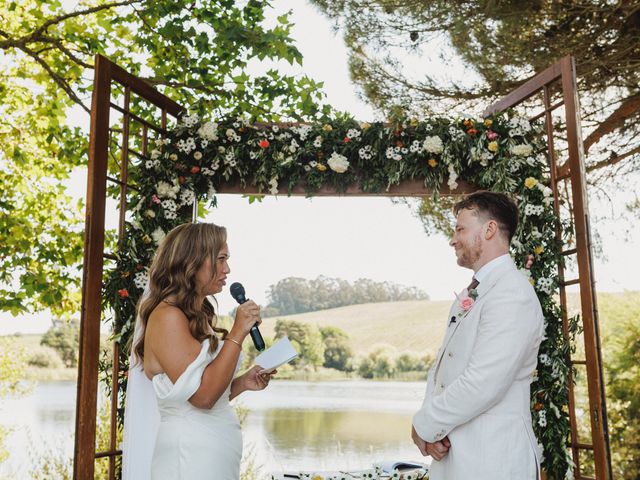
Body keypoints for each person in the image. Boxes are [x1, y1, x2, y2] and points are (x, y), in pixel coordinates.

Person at [122, 222, 274, 480]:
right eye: (221, 259)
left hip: (212, 455)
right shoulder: (167, 317)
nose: (227, 269)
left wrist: (242, 383)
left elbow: (207, 393)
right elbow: (202, 398)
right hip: (189, 458)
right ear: (192, 262)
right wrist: (237, 332)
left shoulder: (196, 316)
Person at [411, 191, 544, 479]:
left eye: (460, 229)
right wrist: (432, 432)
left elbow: (483, 382)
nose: (452, 239)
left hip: (492, 459)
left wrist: (424, 424)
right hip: (457, 457)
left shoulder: (512, 293)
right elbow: (444, 369)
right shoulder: (477, 291)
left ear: (489, 229)